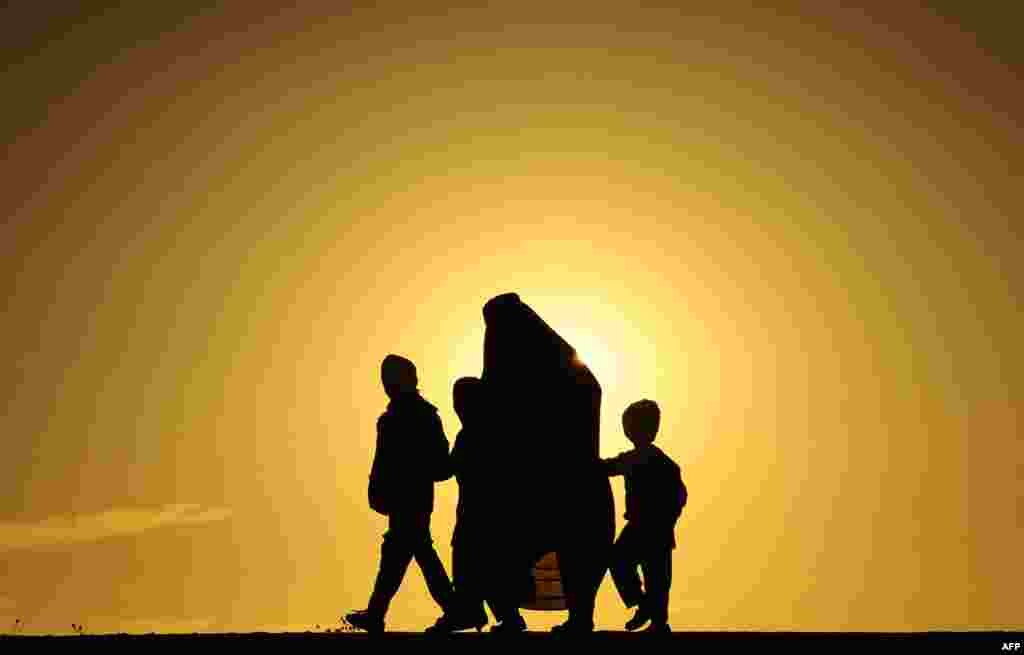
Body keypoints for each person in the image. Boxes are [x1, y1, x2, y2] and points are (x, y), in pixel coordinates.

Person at [345, 354, 456, 633]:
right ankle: (379, 612)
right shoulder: (403, 416)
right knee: (404, 553)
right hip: (405, 497)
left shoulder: (418, 415)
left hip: (412, 497)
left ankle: (455, 609)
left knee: (404, 552)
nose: (387, 384)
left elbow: (440, 463)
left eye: (391, 378)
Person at [426, 377, 528, 633]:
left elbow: (445, 470)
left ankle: (475, 613)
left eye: (460, 401)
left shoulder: (474, 435)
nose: (457, 407)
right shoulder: (490, 433)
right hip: (486, 513)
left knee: (472, 564)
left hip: (480, 514)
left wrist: (430, 447)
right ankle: (499, 614)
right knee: (486, 566)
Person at [602, 399, 687, 633]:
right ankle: (654, 615)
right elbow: (680, 496)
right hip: (657, 528)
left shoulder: (637, 459)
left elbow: (606, 467)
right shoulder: (665, 463)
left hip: (644, 526)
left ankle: (647, 608)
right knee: (657, 576)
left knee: (622, 562)